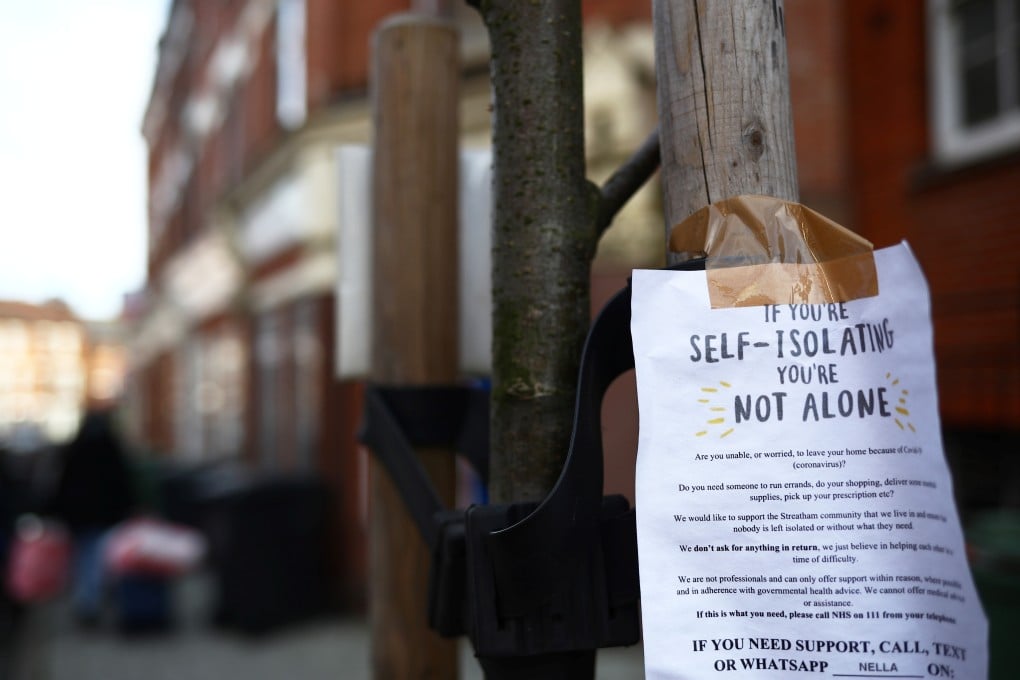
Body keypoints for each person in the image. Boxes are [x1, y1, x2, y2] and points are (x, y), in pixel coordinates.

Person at [49, 409, 135, 625]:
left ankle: (88, 603)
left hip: (80, 517)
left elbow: (62, 484)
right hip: (103, 516)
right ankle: (92, 603)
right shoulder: (111, 448)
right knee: (97, 560)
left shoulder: (76, 449)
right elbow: (122, 483)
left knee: (84, 560)